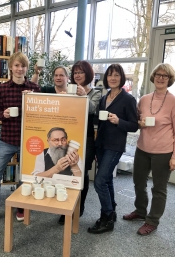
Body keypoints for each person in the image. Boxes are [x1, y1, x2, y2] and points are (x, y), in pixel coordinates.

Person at [0, 52, 40, 227]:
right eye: (16, 66)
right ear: (11, 68)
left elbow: (40, 115)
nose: (20, 69)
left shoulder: (34, 88)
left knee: (25, 176)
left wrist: (31, 100)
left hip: (27, 140)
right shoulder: (3, 88)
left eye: (23, 66)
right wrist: (3, 114)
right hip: (7, 139)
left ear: (26, 68)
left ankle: (21, 206)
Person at [123, 63, 175, 236]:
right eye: (158, 74)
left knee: (159, 189)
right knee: (138, 182)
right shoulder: (144, 99)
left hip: (163, 152)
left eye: (165, 75)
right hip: (143, 148)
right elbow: (137, 122)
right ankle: (140, 211)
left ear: (169, 79)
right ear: (153, 76)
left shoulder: (174, 102)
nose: (160, 78)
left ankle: (152, 220)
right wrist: (139, 123)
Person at [88, 64, 138, 234]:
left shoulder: (128, 99)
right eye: (110, 75)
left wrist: (118, 121)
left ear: (121, 77)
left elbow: (134, 125)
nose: (113, 78)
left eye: (116, 75)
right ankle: (112, 210)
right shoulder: (104, 97)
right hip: (101, 144)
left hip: (115, 145)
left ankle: (107, 216)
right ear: (106, 78)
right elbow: (98, 122)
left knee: (100, 181)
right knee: (107, 179)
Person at [57, 60, 101, 224]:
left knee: (81, 174)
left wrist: (83, 96)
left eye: (81, 72)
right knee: (67, 171)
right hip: (70, 136)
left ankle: (79, 208)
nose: (77, 75)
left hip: (87, 138)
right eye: (75, 73)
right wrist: (63, 98)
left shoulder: (95, 92)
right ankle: (66, 208)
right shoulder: (68, 90)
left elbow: (93, 110)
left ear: (88, 74)